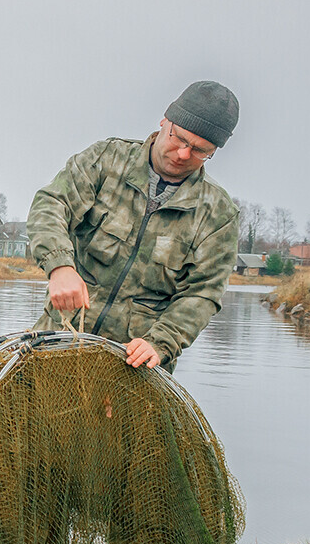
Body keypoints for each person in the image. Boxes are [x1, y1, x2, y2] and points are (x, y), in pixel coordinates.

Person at [27, 80, 241, 371]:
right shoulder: (106, 159)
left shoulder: (219, 214)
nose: (183, 154)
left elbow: (203, 293)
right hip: (57, 343)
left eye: (200, 151)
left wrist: (160, 342)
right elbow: (52, 204)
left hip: (133, 368)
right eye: (179, 139)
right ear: (165, 121)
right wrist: (59, 266)